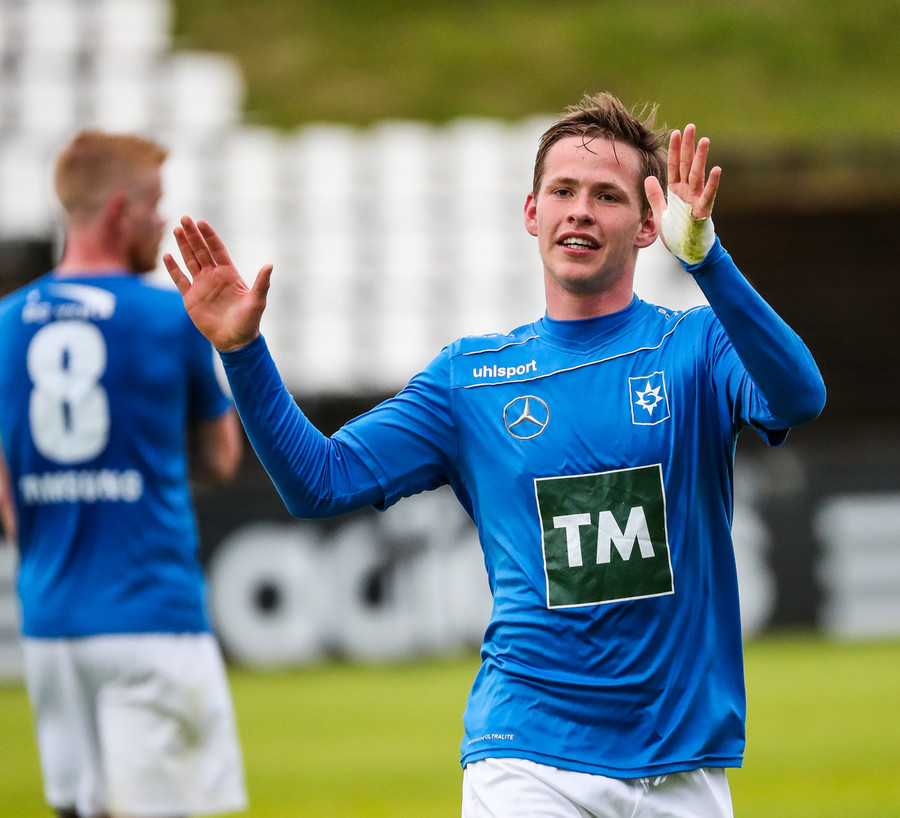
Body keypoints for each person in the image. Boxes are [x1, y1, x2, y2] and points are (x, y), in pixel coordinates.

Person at [164, 92, 826, 817]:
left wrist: (707, 259)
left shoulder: (696, 345)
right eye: (562, 191)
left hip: (681, 763)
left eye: (606, 196)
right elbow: (318, 482)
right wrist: (243, 353)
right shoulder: (471, 379)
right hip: (527, 759)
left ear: (647, 225)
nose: (579, 211)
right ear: (531, 213)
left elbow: (799, 396)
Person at [0, 130, 247, 818]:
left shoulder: (5, 325)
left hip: (51, 622)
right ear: (119, 211)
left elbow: (7, 491)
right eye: (154, 204)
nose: (162, 221)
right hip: (150, 615)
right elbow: (222, 457)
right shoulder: (167, 316)